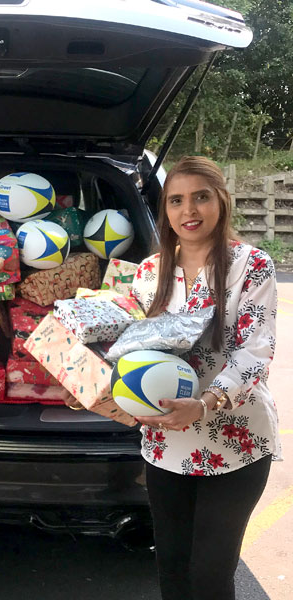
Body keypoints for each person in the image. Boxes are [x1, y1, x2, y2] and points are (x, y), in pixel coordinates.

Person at [129, 156, 279, 600]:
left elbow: (256, 350)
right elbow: (132, 350)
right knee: (173, 572)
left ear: (221, 201)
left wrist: (207, 402)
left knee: (211, 577)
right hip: (165, 442)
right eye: (176, 200)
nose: (188, 210)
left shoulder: (251, 265)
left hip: (235, 441)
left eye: (201, 197)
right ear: (165, 209)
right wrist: (95, 386)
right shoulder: (147, 272)